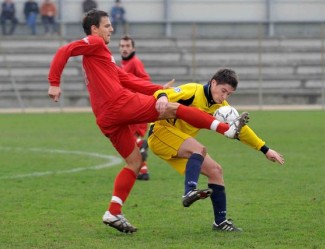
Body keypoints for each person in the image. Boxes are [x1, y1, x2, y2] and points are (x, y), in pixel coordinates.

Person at [48, 9, 248, 234]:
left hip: (105, 118)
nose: (111, 29)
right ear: (94, 29)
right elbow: (64, 50)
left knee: (134, 162)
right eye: (107, 25)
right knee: (175, 109)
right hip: (118, 105)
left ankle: (113, 211)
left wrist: (159, 89)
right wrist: (54, 82)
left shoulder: (101, 58)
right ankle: (226, 129)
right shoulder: (94, 42)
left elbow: (127, 79)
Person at [148, 68, 285, 232]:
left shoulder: (221, 107)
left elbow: (240, 131)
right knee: (199, 149)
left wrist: (265, 149)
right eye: (223, 91)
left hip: (181, 142)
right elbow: (161, 93)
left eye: (229, 94)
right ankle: (189, 192)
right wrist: (163, 96)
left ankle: (220, 222)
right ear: (213, 83)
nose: (224, 97)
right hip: (160, 133)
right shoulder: (193, 90)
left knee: (216, 170)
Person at [119, 34, 152, 180]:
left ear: (133, 48)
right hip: (131, 105)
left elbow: (145, 80)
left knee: (131, 141)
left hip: (136, 105)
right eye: (122, 46)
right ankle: (143, 172)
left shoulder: (135, 62)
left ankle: (142, 144)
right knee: (133, 140)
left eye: (127, 46)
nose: (124, 49)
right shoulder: (125, 64)